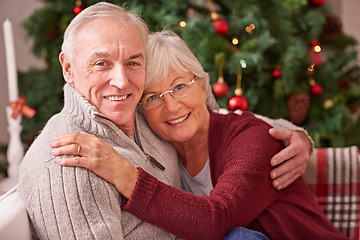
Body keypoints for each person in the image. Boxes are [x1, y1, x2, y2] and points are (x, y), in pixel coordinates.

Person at [50, 30, 348, 240]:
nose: (171, 105)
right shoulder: (161, 151)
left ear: (203, 86)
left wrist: (122, 173)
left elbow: (214, 220)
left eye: (180, 86)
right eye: (152, 97)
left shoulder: (253, 137)